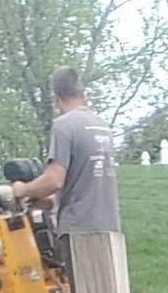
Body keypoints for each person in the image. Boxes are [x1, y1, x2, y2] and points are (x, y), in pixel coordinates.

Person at [7, 70, 121, 241]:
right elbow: (85, 183)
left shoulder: (64, 125)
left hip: (79, 231)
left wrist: (22, 189)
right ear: (81, 92)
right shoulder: (101, 125)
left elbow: (54, 180)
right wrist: (50, 202)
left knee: (81, 269)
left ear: (56, 97)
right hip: (110, 229)